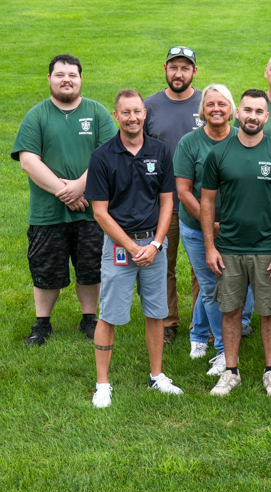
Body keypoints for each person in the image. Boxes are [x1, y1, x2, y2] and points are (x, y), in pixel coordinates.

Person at [85, 89, 183, 408]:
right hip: (119, 245)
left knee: (156, 312)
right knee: (110, 315)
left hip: (154, 244)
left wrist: (155, 243)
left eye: (137, 111)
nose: (132, 118)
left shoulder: (160, 151)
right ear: (116, 116)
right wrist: (131, 246)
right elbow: (100, 211)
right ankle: (102, 384)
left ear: (145, 114)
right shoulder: (102, 156)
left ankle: (157, 376)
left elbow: (168, 201)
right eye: (125, 112)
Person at [201, 89, 271, 397]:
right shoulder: (218, 153)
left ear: (266, 117)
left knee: (269, 311)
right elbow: (206, 202)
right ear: (237, 113)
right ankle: (231, 372)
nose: (252, 116)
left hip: (268, 249)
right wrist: (210, 246)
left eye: (259, 111)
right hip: (229, 248)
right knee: (230, 310)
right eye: (247, 110)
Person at [11, 54, 117, 345]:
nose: (66, 79)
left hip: (92, 210)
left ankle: (89, 318)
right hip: (48, 212)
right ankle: (42, 323)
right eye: (60, 75)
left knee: (91, 266)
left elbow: (107, 156)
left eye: (72, 74)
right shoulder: (37, 115)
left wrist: (81, 186)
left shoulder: (97, 113)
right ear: (49, 79)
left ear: (81, 79)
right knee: (45, 268)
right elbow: (29, 161)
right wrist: (64, 191)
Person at [174, 84, 240, 365]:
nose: (216, 109)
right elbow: (184, 190)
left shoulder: (242, 139)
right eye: (210, 104)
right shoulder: (189, 143)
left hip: (235, 227)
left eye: (222, 104)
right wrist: (208, 222)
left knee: (220, 284)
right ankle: (224, 352)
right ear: (203, 109)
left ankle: (198, 335)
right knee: (212, 284)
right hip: (195, 226)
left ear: (231, 109)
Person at [143, 46, 204, 346]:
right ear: (164, 69)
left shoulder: (208, 102)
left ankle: (199, 320)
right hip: (161, 202)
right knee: (162, 265)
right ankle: (167, 321)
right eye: (173, 67)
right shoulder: (149, 106)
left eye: (185, 67)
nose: (178, 73)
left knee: (200, 266)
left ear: (195, 71)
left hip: (199, 201)